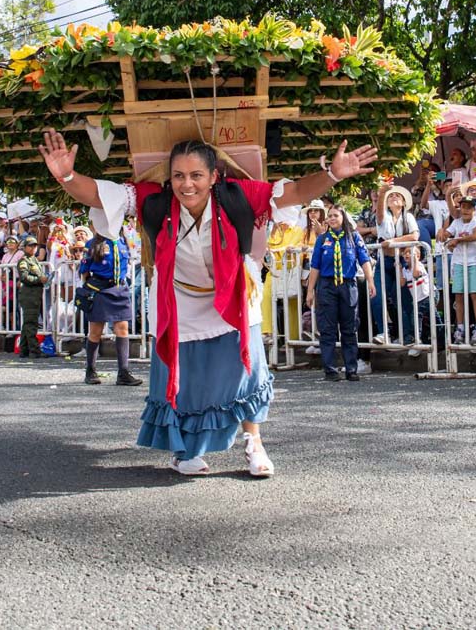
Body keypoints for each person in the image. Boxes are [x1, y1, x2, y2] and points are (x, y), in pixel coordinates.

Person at [38, 129, 376, 478]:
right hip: (178, 299)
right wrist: (65, 175)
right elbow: (95, 193)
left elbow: (294, 193)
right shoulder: (153, 200)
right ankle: (185, 448)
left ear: (214, 176)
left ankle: (254, 442)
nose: (188, 185)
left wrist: (334, 173)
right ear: (169, 179)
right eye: (179, 176)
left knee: (247, 371)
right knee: (186, 377)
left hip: (234, 293)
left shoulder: (237, 195)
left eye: (197, 175)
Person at [305, 205, 376, 381]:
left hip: (348, 285)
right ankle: (330, 369)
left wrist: (370, 281)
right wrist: (310, 291)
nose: (332, 218)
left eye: (335, 215)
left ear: (343, 217)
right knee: (327, 329)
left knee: (349, 328)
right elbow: (315, 266)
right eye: (329, 216)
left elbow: (364, 259)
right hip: (327, 286)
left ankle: (351, 369)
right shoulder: (322, 239)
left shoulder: (353, 237)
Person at [78, 230, 141, 386]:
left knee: (123, 329)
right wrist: (87, 290)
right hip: (99, 288)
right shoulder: (93, 243)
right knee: (96, 331)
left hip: (119, 288)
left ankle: (123, 372)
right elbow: (84, 271)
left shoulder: (122, 241)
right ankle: (90, 370)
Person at [371, 185, 419, 347]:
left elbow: (415, 235)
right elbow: (378, 214)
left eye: (398, 196)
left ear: (404, 203)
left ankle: (408, 335)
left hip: (401, 262)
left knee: (402, 298)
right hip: (384, 261)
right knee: (376, 296)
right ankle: (383, 332)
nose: (394, 198)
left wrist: (392, 242)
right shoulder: (384, 216)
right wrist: (383, 192)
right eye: (391, 196)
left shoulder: (409, 217)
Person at [444, 194, 476, 344]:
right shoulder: (456, 222)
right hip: (459, 262)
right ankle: (460, 327)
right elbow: (447, 233)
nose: (465, 210)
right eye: (463, 207)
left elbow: (475, 236)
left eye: (469, 207)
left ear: (474, 209)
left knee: (475, 294)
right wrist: (444, 234)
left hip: (474, 261)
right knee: (459, 295)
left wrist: (458, 239)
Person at [16, 236, 48, 359]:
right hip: (29, 295)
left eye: (35, 246)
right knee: (31, 323)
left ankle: (23, 350)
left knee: (27, 323)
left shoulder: (34, 260)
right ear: (25, 247)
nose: (33, 248)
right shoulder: (24, 261)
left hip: (34, 294)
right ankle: (35, 350)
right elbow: (24, 277)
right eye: (30, 246)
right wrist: (39, 279)